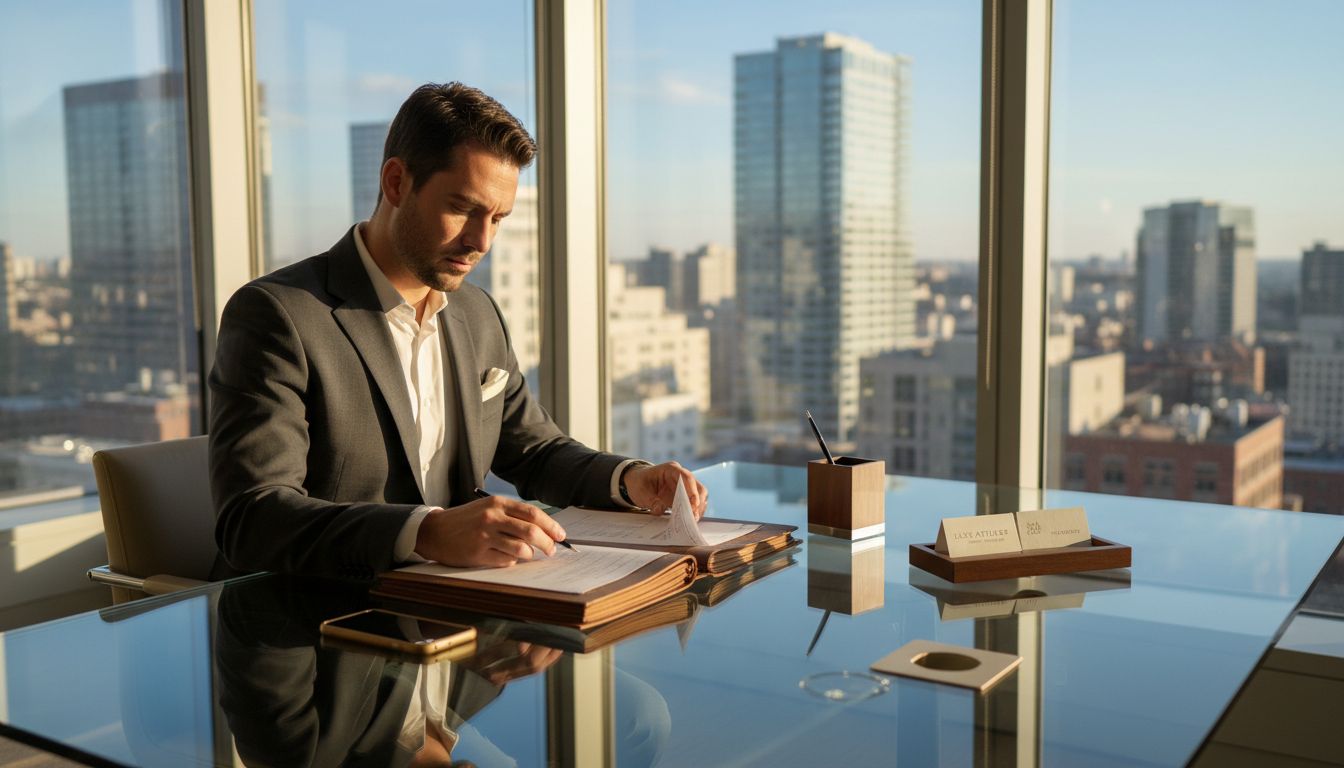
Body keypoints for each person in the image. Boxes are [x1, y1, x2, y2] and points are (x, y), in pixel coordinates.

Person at [208, 82, 707, 581]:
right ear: (397, 183)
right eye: (464, 209)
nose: (481, 240)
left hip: (450, 619)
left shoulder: (477, 312)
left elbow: (535, 451)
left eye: (498, 218)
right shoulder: (279, 315)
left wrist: (631, 480)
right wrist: (426, 532)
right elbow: (252, 518)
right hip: (312, 621)